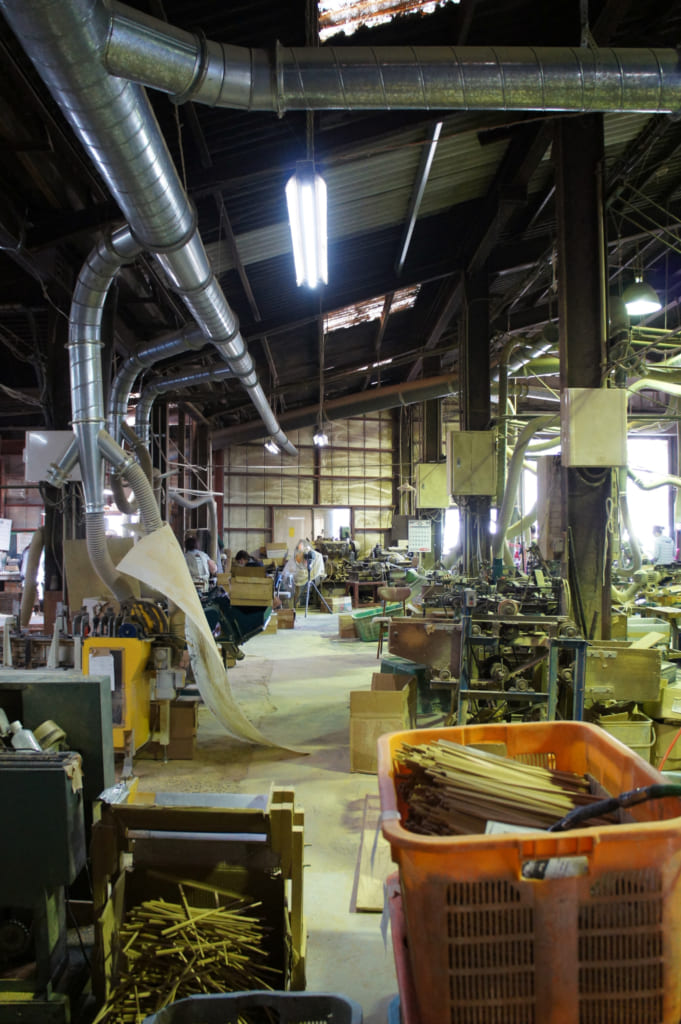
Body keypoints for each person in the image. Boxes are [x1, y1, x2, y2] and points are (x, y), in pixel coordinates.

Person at [283, 540, 326, 607]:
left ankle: (300, 602)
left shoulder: (316, 556)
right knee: (296, 581)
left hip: (311, 573)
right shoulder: (299, 556)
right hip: (302, 574)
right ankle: (297, 602)